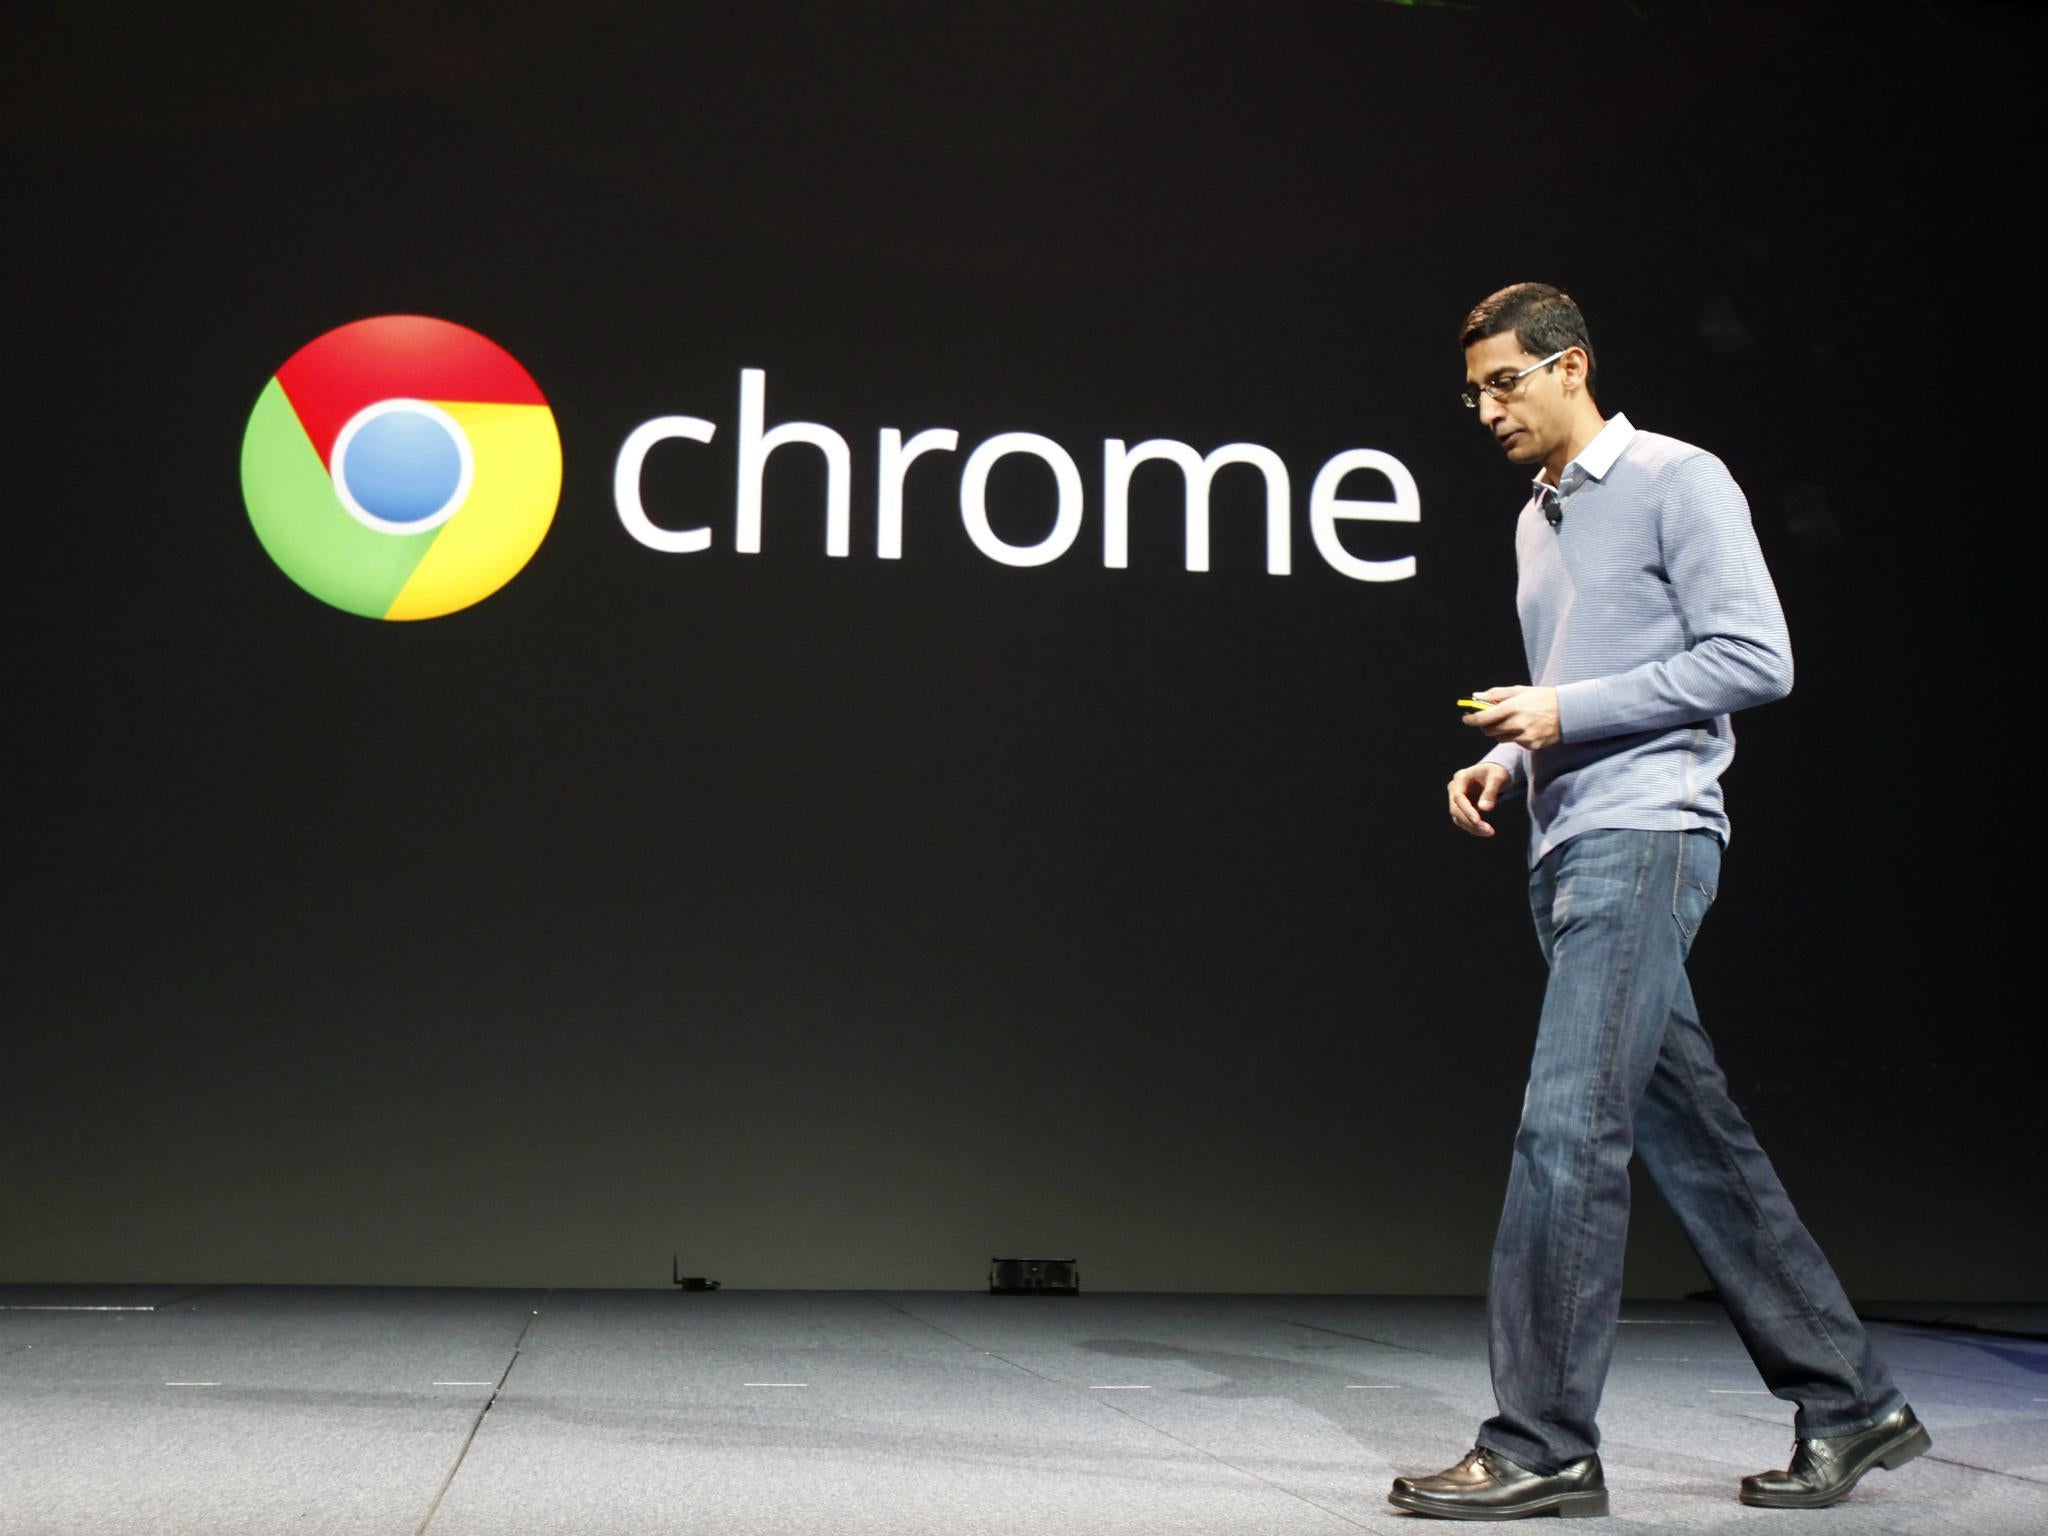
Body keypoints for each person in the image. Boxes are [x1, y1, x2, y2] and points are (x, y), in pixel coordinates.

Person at [1388, 283, 1928, 1520]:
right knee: (1696, 1141)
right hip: (1569, 846)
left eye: (1503, 383)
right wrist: (1514, 753)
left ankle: (1541, 1442)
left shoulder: (1681, 479)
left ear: (1569, 366)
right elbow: (1573, 682)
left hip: (1648, 838)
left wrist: (1562, 714)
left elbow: (1754, 660)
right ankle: (1850, 1400)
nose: (1484, 409)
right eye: (1472, 391)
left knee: (1564, 1131)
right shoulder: (1535, 522)